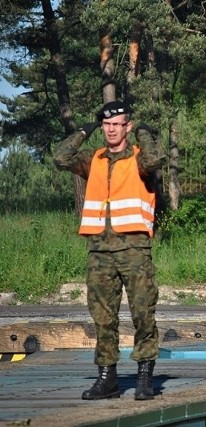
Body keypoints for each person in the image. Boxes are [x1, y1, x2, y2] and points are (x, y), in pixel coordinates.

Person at [53, 101, 166, 400]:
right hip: (100, 251)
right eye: (106, 125)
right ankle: (107, 379)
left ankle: (144, 377)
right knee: (103, 317)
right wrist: (82, 131)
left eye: (117, 124)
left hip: (134, 250)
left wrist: (144, 134)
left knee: (143, 313)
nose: (111, 129)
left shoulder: (140, 159)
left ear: (127, 127)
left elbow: (157, 160)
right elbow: (60, 157)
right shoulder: (95, 159)